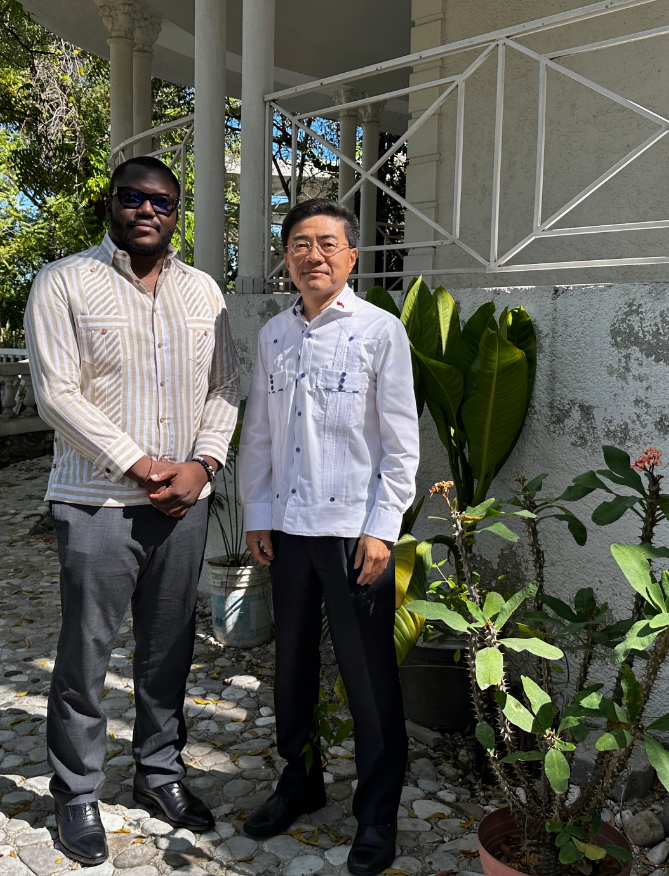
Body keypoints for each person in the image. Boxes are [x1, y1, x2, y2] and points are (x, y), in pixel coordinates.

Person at [24, 156, 240, 866]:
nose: (148, 210)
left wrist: (201, 465)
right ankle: (77, 792)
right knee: (87, 652)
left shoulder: (206, 291)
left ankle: (160, 774)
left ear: (178, 213)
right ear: (110, 204)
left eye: (163, 202)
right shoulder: (63, 283)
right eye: (133, 197)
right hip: (96, 502)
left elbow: (227, 386)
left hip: (185, 504)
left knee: (169, 647)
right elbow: (58, 394)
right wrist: (144, 466)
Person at [238, 198, 419, 876]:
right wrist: (256, 510)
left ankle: (376, 816)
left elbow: (401, 446)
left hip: (353, 534)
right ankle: (300, 780)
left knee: (369, 683)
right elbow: (259, 433)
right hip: (286, 531)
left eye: (327, 244)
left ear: (349, 256)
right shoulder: (273, 336)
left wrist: (382, 529)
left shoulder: (379, 331)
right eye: (299, 244)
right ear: (286, 256)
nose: (312, 255)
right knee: (291, 671)